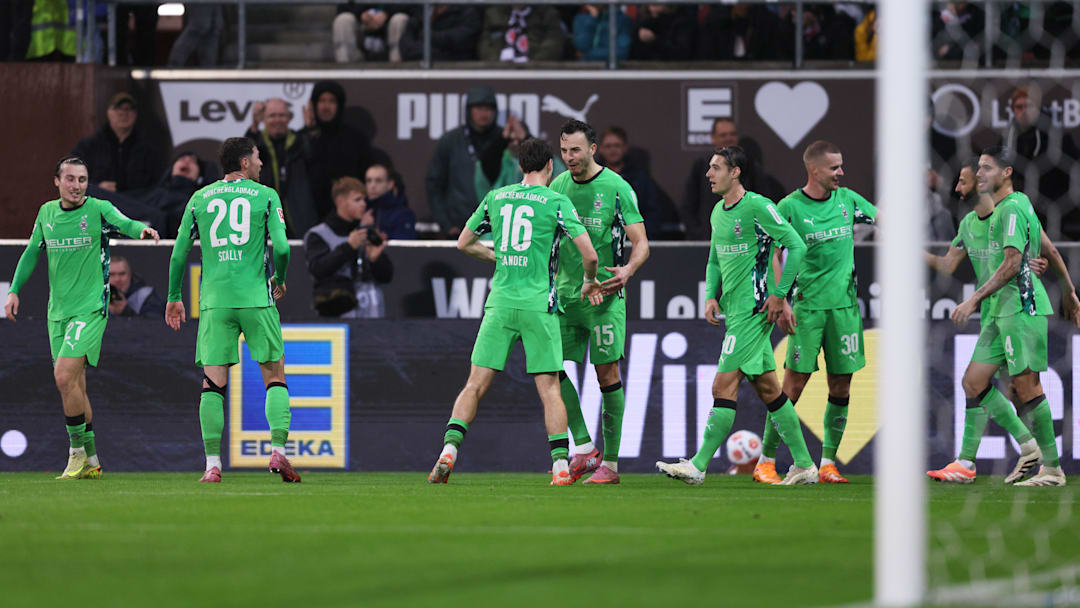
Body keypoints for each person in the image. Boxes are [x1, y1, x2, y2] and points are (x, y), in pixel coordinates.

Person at [427, 138, 604, 486]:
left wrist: (494, 256)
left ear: (521, 165)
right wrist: (590, 280)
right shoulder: (556, 201)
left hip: (501, 303)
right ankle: (560, 466)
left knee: (474, 385)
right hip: (539, 305)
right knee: (550, 389)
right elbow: (591, 255)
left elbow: (463, 242)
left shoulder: (498, 197)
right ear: (549, 166)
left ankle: (449, 450)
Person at [656, 146, 816, 485]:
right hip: (735, 310)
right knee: (770, 390)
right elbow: (714, 259)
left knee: (722, 383)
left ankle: (698, 465)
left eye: (715, 168)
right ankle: (804, 464)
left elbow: (797, 246)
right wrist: (710, 295)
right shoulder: (717, 212)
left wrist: (779, 294)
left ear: (735, 172)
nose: (708, 174)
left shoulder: (758, 206)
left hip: (754, 311)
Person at [4, 155, 159, 480]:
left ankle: (75, 453)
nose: (77, 186)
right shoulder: (47, 213)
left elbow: (125, 221)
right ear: (57, 181)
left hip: (90, 308)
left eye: (83, 180)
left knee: (63, 377)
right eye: (71, 179)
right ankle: (92, 459)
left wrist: (141, 230)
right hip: (57, 311)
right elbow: (33, 251)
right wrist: (15, 289)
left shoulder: (98, 209)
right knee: (74, 384)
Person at [925, 157, 1079, 483]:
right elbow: (1047, 251)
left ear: (1006, 172)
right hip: (996, 312)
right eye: (976, 169)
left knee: (1025, 387)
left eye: (984, 169)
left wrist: (1069, 292)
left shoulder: (1014, 206)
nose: (978, 175)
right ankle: (982, 460)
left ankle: (1051, 468)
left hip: (1021, 306)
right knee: (973, 382)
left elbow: (1016, 263)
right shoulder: (974, 220)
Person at [165, 137, 299, 484]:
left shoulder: (199, 198)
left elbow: (178, 254)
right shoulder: (266, 195)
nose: (260, 165)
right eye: (257, 158)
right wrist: (279, 278)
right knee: (275, 377)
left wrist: (174, 295)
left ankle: (212, 464)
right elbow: (282, 248)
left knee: (212, 385)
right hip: (256, 297)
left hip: (214, 302)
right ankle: (278, 452)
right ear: (243, 163)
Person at [751, 141, 875, 485]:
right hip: (806, 309)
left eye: (841, 166)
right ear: (814, 170)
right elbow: (772, 254)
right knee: (793, 385)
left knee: (841, 385)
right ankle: (766, 461)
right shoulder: (789, 207)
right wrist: (782, 299)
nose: (841, 172)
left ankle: (828, 463)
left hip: (846, 309)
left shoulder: (848, 200)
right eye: (834, 167)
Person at [551, 119, 649, 485]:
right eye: (563, 151)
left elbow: (642, 243)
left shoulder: (616, 188)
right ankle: (583, 446)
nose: (569, 157)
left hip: (604, 298)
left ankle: (610, 464)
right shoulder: (558, 186)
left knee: (607, 375)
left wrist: (628, 270)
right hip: (565, 297)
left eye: (575, 150)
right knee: (548, 368)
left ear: (593, 149)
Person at [426, 85, 517, 236]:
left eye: (488, 108)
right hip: (459, 228)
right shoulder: (451, 141)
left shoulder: (505, 139)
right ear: (468, 110)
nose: (484, 113)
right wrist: (446, 224)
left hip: (499, 228)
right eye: (478, 108)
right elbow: (434, 185)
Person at [304, 177, 393, 318]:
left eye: (364, 200)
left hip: (372, 310)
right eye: (357, 200)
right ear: (340, 201)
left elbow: (387, 276)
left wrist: (376, 260)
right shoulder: (319, 234)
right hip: (336, 311)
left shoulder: (366, 233)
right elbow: (318, 269)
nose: (363, 204)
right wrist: (349, 247)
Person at [682, 118, 783, 240]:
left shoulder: (751, 167)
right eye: (723, 135)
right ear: (713, 138)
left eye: (732, 134)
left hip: (744, 242)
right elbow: (688, 206)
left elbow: (764, 203)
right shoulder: (702, 166)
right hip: (708, 242)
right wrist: (699, 235)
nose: (728, 138)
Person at [303, 81, 392, 220]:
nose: (326, 106)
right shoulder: (303, 138)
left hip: (350, 218)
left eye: (331, 101)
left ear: (339, 105)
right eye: (321, 101)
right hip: (309, 217)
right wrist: (309, 133)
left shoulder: (355, 139)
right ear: (314, 105)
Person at [245, 97, 317, 237]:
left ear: (289, 118)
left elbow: (315, 158)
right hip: (263, 222)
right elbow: (243, 161)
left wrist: (311, 129)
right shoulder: (257, 144)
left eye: (282, 115)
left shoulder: (300, 142)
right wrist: (254, 125)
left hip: (298, 221)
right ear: (263, 119)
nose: (277, 120)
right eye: (272, 116)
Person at [596, 125, 678, 240]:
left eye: (617, 145)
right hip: (599, 244)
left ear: (625, 148)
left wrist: (642, 239)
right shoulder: (592, 179)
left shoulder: (641, 180)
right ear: (600, 149)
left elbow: (653, 214)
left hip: (634, 243)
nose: (612, 150)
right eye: (608, 146)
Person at [142, 150, 217, 238]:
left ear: (200, 176)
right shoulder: (152, 193)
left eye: (193, 161)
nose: (186, 162)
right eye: (181, 159)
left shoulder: (201, 200)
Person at [477, 5, 566, 63]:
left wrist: (533, 62)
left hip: (537, 71)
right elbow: (484, 44)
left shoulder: (547, 13)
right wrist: (497, 62)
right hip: (498, 70)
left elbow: (554, 43)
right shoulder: (493, 13)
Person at [392, 5, 482, 62]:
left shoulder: (469, 11)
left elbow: (460, 43)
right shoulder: (423, 9)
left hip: (454, 69)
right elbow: (406, 42)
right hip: (417, 66)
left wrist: (428, 38)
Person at [365, 164, 417, 240]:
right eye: (369, 180)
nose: (372, 185)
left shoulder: (403, 215)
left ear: (390, 184)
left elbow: (403, 248)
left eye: (378, 181)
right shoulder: (361, 209)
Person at [630, 4, 696, 61]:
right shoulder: (641, 21)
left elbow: (682, 54)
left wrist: (655, 40)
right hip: (642, 72)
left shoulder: (682, 21)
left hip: (674, 71)